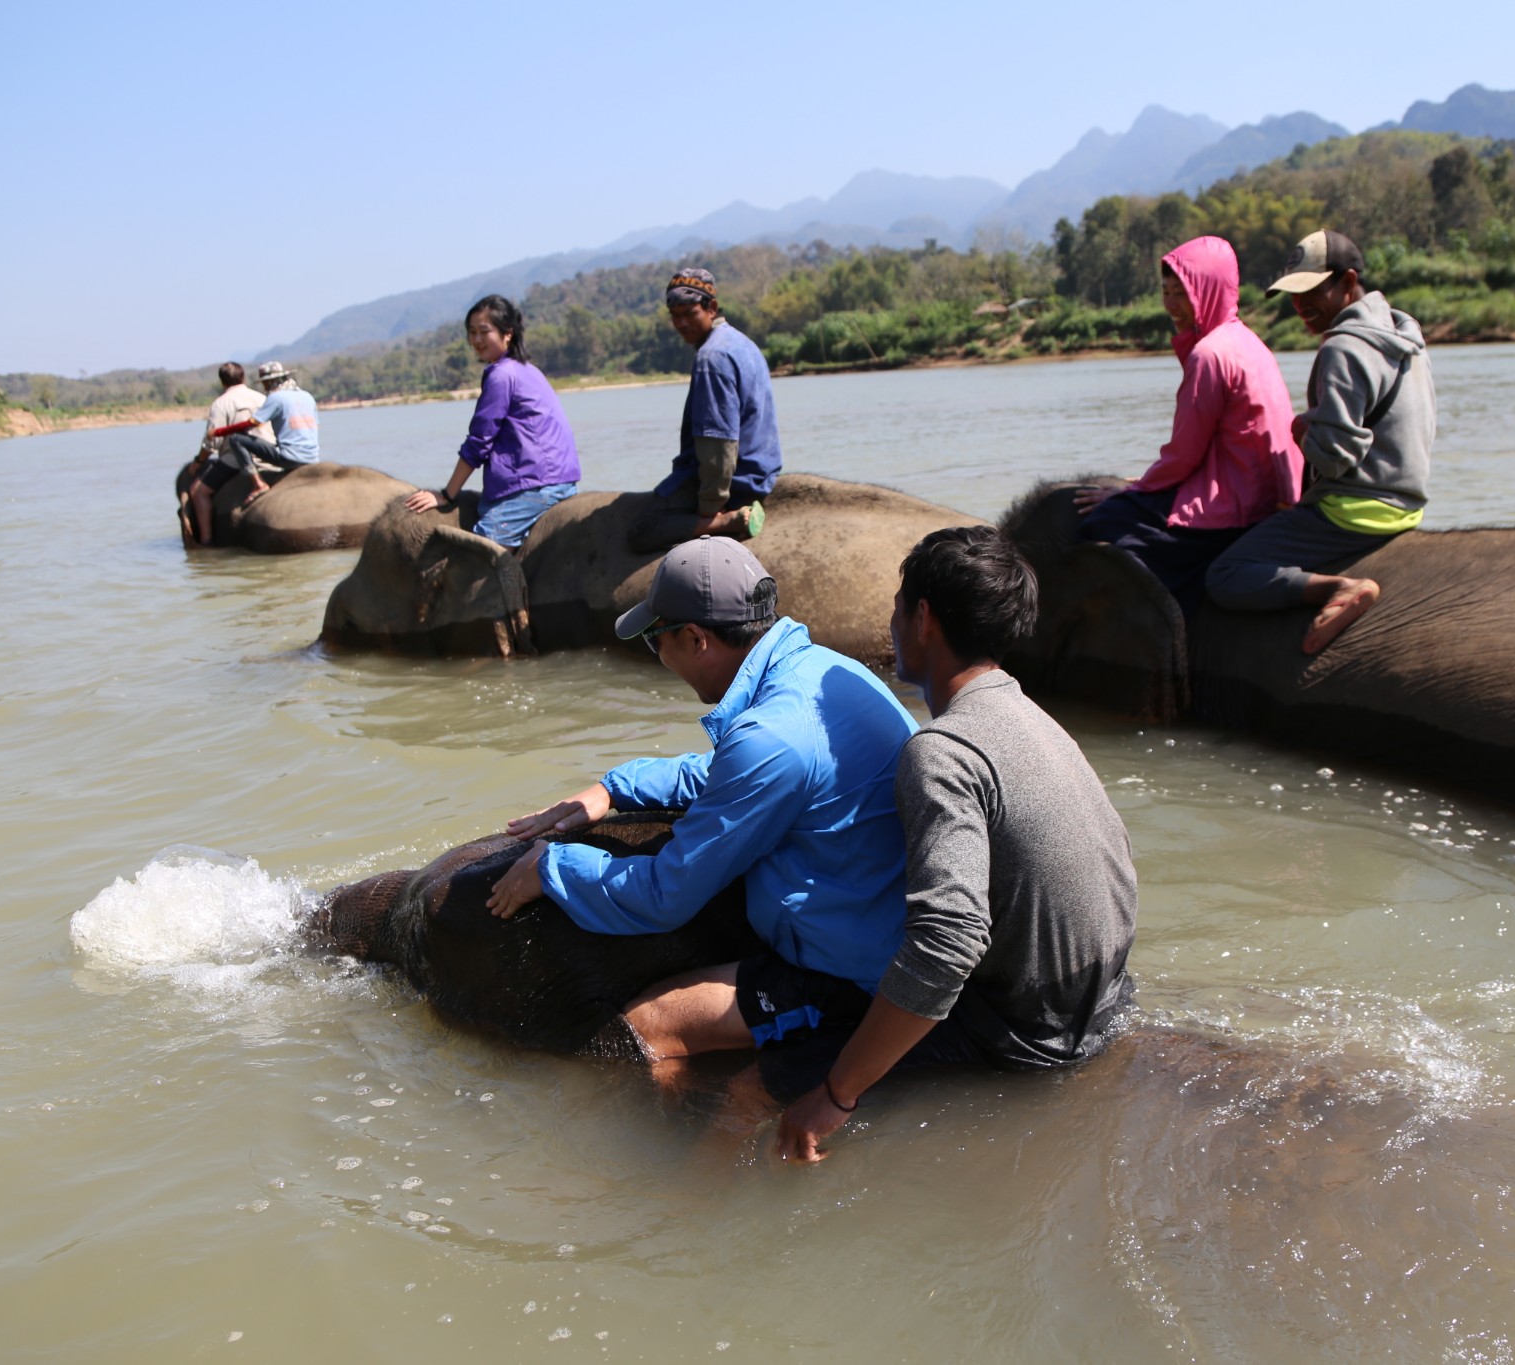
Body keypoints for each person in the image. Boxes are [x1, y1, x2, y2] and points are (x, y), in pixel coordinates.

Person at [483, 536, 917, 1071]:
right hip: (879, 910)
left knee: (649, 1029)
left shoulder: (771, 739)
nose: (659, 656)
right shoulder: (821, 671)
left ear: (694, 639)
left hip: (861, 973)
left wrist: (553, 868)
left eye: (654, 640)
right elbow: (732, 774)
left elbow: (666, 895)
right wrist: (616, 788)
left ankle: (705, 1142)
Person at [777, 525, 1140, 1163]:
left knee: (768, 1072)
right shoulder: (1033, 718)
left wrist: (835, 1095)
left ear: (922, 618)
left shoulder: (941, 753)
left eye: (896, 606)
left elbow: (947, 943)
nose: (890, 622)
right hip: (1105, 1004)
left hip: (1027, 1037)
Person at [1204, 230, 1435, 654]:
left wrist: (1302, 429)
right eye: (1294, 295)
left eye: (1311, 291)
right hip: (1407, 505)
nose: (1300, 305)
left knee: (1227, 573)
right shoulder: (1406, 337)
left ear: (1347, 283)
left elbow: (1332, 457)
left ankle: (1339, 587)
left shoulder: (1342, 348)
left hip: (1355, 512)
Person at [1075, 236, 1301, 612]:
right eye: (1166, 292)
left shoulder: (1209, 355)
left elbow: (1184, 453)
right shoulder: (1249, 342)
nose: (1172, 305)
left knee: (1103, 522)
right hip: (1266, 491)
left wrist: (1135, 491)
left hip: (1236, 505)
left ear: (1211, 289)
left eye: (1183, 293)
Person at [403, 295, 581, 548]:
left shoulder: (501, 375)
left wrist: (446, 494)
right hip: (558, 480)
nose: (476, 340)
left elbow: (479, 441)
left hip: (533, 487)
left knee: (478, 557)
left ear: (507, 333)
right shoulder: (528, 369)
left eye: (484, 332)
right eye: (471, 332)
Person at [627, 267, 780, 553]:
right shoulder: (741, 342)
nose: (681, 323)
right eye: (675, 315)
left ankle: (728, 522)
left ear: (712, 308)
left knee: (643, 530)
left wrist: (711, 507)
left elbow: (718, 445)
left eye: (689, 313)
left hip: (738, 479)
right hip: (762, 470)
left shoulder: (711, 357)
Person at [186, 361, 274, 546]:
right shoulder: (261, 398)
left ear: (222, 382)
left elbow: (212, 442)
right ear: (243, 377)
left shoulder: (221, 403)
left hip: (235, 460)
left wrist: (198, 461)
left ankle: (206, 541)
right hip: (269, 454)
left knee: (197, 492)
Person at [211, 359, 320, 472]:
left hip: (289, 458)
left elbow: (252, 423)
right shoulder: (307, 396)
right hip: (313, 458)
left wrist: (218, 432)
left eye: (264, 383)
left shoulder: (276, 397)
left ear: (269, 382)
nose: (264, 387)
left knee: (235, 439)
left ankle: (256, 482)